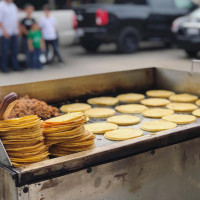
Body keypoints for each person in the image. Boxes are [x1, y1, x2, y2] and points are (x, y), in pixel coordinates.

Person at [0, 0, 21, 73]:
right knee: (4, 51)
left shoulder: (13, 5)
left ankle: (15, 66)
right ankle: (4, 67)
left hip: (13, 32)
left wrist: (18, 29)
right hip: (5, 33)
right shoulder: (1, 5)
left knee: (14, 51)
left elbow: (16, 19)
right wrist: (4, 32)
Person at [21, 4, 35, 68]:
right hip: (25, 38)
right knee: (27, 51)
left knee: (32, 51)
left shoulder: (33, 20)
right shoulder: (24, 20)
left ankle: (33, 64)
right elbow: (22, 28)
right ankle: (28, 64)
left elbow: (35, 28)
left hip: (32, 39)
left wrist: (32, 35)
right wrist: (28, 34)